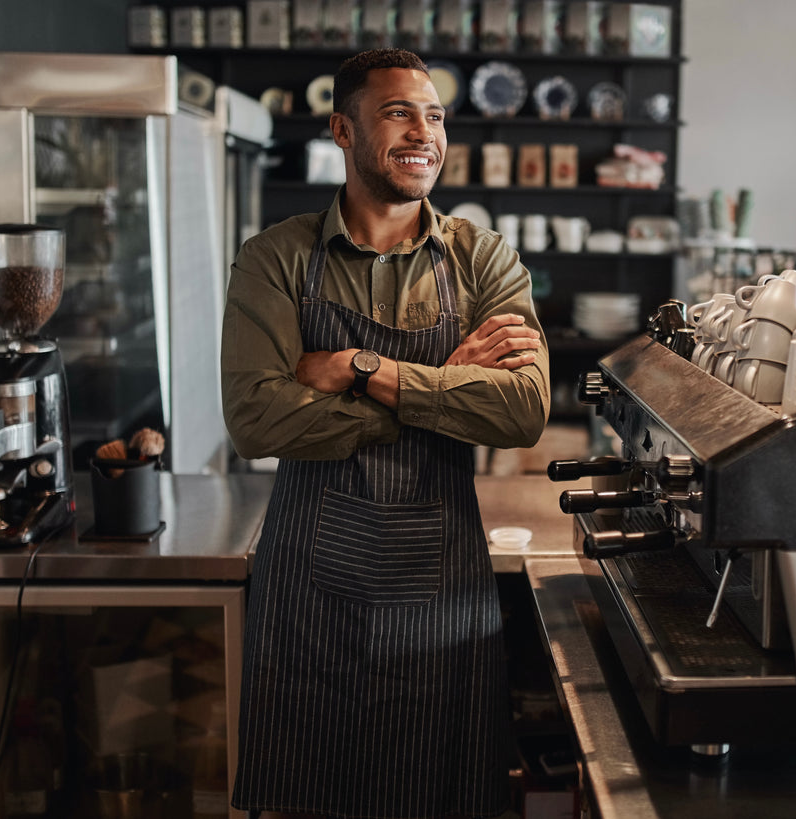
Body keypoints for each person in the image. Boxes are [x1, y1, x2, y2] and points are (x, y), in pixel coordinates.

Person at [220, 47, 551, 819]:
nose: (423, 133)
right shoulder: (275, 258)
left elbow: (522, 409)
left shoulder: (483, 258)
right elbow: (255, 418)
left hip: (442, 590)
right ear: (343, 129)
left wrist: (357, 366)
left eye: (433, 115)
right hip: (310, 591)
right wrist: (443, 382)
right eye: (399, 111)